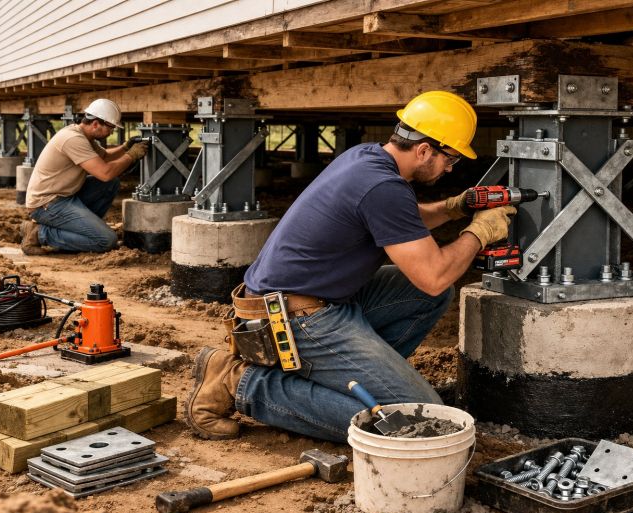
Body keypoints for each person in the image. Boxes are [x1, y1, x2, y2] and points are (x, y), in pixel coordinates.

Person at [185, 91, 516, 442]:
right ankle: (240, 382)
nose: (450, 168)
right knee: (412, 424)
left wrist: (452, 208)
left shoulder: (367, 158)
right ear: (423, 151)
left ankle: (349, 379)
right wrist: (479, 233)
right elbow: (434, 276)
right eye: (450, 159)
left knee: (423, 297)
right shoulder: (382, 186)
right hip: (298, 319)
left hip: (300, 302)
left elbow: (402, 219)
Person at [20, 98, 148, 255]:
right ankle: (39, 233)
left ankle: (87, 231)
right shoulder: (73, 139)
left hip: (64, 197)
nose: (112, 132)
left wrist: (125, 147)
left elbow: (105, 157)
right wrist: (131, 156)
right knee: (106, 241)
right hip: (47, 204)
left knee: (111, 184)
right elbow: (105, 173)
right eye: (111, 128)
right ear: (95, 124)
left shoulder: (83, 136)